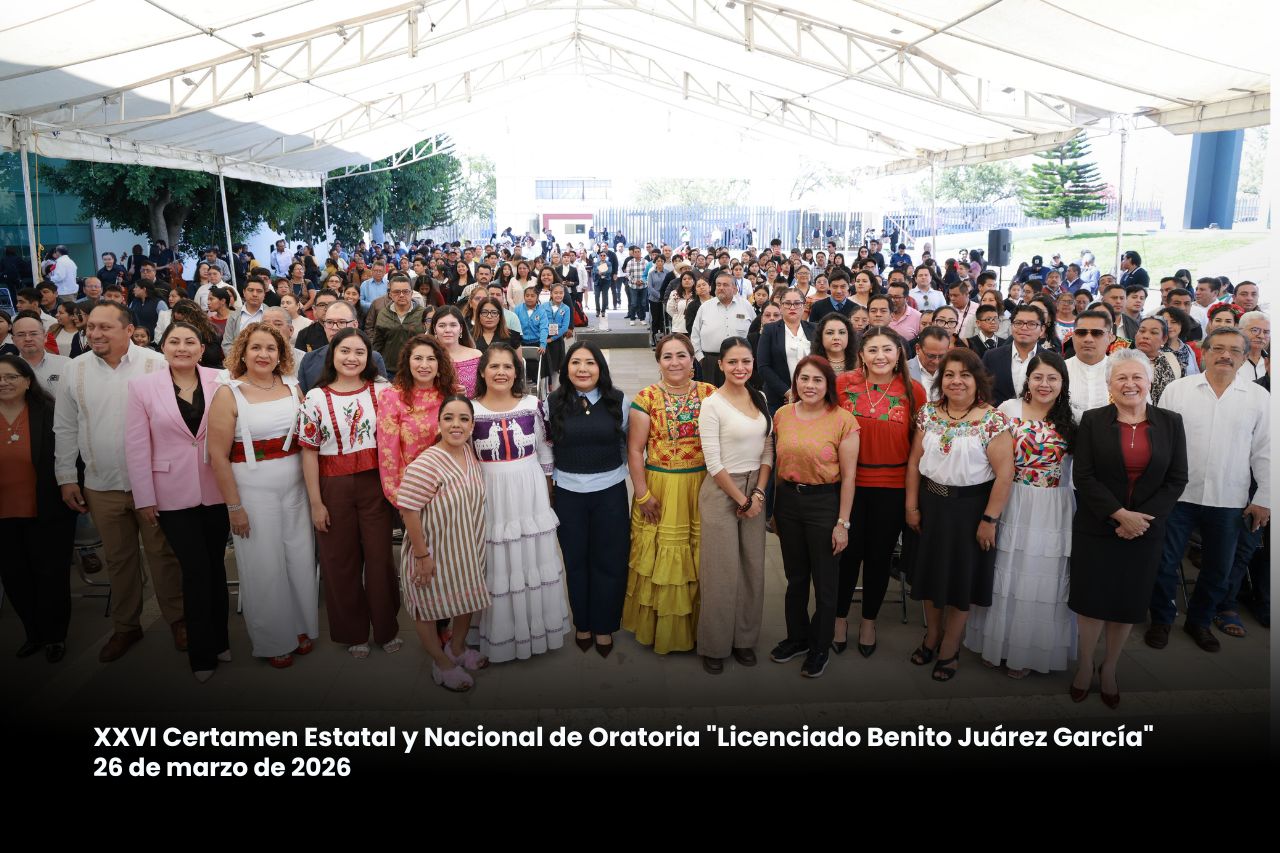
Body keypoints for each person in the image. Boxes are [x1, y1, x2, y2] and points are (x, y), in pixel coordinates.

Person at [53, 302, 186, 662]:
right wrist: (66, 477)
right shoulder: (74, 370)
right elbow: (64, 426)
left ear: (128, 330)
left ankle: (178, 619)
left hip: (154, 485)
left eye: (104, 328)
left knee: (163, 554)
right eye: (91, 327)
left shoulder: (156, 364)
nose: (94, 334)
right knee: (119, 559)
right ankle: (127, 626)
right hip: (101, 484)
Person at [1069, 349, 1187, 706]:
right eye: (1121, 377)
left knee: (1126, 602)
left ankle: (1110, 667)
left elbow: (1176, 479)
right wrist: (1119, 515)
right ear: (1110, 385)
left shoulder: (1170, 422)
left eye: (1137, 377)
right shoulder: (1092, 420)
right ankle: (1085, 665)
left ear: (1149, 382)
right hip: (1098, 526)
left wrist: (1139, 520)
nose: (1130, 384)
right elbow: (1084, 476)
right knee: (1092, 602)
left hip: (1146, 531)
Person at [1147, 327, 1270, 653]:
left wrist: (1264, 499)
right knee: (1164, 562)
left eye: (1234, 350)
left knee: (1219, 568)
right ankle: (1161, 619)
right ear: (1204, 352)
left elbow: (1266, 450)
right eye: (1218, 348)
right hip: (1178, 496)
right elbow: (1160, 442)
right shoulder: (1178, 390)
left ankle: (1199, 621)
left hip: (1229, 498)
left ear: (1245, 357)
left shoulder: (1259, 398)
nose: (1225, 355)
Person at [124, 322, 229, 681]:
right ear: (163, 347)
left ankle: (221, 640)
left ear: (202, 348)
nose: (182, 348)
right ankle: (202, 654)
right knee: (195, 568)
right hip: (170, 492)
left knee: (216, 565)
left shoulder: (223, 380)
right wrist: (144, 497)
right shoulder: (142, 387)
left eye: (190, 342)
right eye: (174, 342)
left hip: (217, 487)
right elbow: (137, 445)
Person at [208, 324, 316, 668]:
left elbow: (307, 436)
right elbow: (217, 455)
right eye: (256, 347)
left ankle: (300, 626)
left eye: (271, 348)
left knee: (298, 557)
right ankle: (272, 639)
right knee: (263, 564)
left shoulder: (293, 386)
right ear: (243, 351)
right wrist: (234, 507)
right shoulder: (228, 392)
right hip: (252, 487)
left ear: (281, 353)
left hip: (294, 482)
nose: (264, 354)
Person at [905, 347, 1015, 682]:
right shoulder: (928, 414)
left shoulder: (992, 420)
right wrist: (911, 506)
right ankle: (931, 636)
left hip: (971, 512)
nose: (956, 381)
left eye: (964, 375)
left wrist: (989, 520)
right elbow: (913, 463)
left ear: (977, 380)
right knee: (929, 576)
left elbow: (1005, 473)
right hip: (931, 507)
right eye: (949, 374)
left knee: (960, 582)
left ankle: (950, 646)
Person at [964, 352, 1077, 676]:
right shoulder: (1007, 410)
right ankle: (994, 644)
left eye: (1052, 378)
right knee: (1002, 571)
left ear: (1062, 383)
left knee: (1037, 578)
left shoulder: (1072, 420)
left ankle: (1025, 652)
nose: (1044, 384)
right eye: (1038, 377)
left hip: (1050, 507)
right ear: (1027, 379)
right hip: (1009, 499)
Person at [299, 328, 400, 658]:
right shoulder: (315, 397)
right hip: (333, 486)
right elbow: (309, 452)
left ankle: (387, 628)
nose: (352, 358)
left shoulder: (383, 391)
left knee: (380, 558)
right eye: (345, 351)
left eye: (359, 352)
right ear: (333, 354)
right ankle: (353, 631)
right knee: (340, 561)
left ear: (369, 357)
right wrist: (316, 503)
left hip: (375, 484)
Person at [469, 343, 570, 661]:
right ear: (482, 371)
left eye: (507, 367)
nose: (501, 372)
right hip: (489, 491)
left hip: (529, 490)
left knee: (531, 558)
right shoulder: (470, 409)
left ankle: (535, 631)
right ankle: (499, 633)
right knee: (495, 558)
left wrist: (549, 486)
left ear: (517, 371)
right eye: (494, 367)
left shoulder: (531, 405)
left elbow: (544, 450)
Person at [832, 327, 925, 656]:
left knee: (878, 558)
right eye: (873, 350)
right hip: (849, 487)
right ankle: (839, 618)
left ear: (899, 353)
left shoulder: (913, 391)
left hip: (892, 488)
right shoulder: (843, 385)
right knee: (846, 557)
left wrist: (912, 501)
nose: (880, 356)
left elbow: (917, 449)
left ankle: (869, 620)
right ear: (861, 354)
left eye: (888, 349)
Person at [769, 356, 859, 678]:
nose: (810, 386)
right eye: (804, 379)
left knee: (824, 582)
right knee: (795, 578)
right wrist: (775, 510)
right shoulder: (781, 415)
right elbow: (776, 466)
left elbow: (849, 477)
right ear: (795, 382)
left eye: (817, 380)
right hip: (789, 503)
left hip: (824, 504)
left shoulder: (843, 420)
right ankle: (798, 638)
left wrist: (842, 524)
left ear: (828, 385)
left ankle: (820, 647)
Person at [624, 334, 716, 654]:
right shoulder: (646, 397)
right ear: (658, 362)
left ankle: (701, 629)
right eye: (667, 357)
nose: (674, 362)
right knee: (662, 559)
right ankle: (662, 629)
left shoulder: (711, 394)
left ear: (693, 361)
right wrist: (642, 494)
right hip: (660, 487)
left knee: (699, 556)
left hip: (702, 486)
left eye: (681, 356)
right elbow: (635, 451)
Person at [395, 395, 491, 691]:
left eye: (464, 419)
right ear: (439, 423)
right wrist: (422, 555)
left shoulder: (470, 456)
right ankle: (441, 662)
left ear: (472, 425)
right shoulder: (427, 462)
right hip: (433, 552)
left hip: (466, 551)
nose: (456, 424)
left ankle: (458, 648)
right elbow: (408, 509)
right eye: (449, 417)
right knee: (428, 607)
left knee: (465, 600)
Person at [547, 342, 631, 658]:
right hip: (568, 493)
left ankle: (605, 624)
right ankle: (583, 622)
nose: (583, 369)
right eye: (576, 362)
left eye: (590, 363)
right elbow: (548, 447)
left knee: (610, 560)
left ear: (600, 368)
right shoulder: (552, 402)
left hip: (609, 491)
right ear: (566, 368)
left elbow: (625, 442)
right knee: (576, 560)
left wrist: (614, 470)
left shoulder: (618, 401)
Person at [696, 338, 774, 674]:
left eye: (746, 361)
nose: (740, 368)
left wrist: (757, 494)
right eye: (733, 362)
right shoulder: (712, 404)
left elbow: (768, 450)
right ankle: (714, 643)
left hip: (755, 487)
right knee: (721, 570)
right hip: (721, 490)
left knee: (753, 568)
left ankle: (744, 639)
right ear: (721, 365)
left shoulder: (761, 398)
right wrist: (742, 500)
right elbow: (713, 461)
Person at [0, 355, 76, 662]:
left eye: (10, 377)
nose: (3, 383)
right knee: (15, 577)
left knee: (51, 575)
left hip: (46, 510)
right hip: (4, 514)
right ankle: (33, 633)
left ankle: (55, 636)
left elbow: (70, 454)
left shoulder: (49, 412)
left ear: (28, 381)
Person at [297, 300, 388, 393]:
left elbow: (383, 396)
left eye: (341, 322)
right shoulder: (309, 360)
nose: (335, 328)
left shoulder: (373, 358)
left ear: (355, 325)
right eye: (329, 322)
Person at [691, 271, 754, 387]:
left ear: (734, 288)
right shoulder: (705, 307)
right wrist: (701, 359)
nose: (721, 288)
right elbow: (695, 335)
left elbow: (754, 333)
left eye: (725, 285)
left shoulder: (746, 306)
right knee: (712, 397)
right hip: (711, 362)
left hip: (739, 363)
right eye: (718, 284)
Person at [757, 289, 814, 411]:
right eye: (787, 303)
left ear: (803, 306)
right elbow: (763, 366)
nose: (792, 307)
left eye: (797, 303)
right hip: (779, 397)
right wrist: (788, 392)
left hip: (811, 394)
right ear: (781, 307)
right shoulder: (769, 330)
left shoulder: (814, 329)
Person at [983, 304, 1046, 405]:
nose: (1024, 328)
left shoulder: (1051, 360)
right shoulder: (991, 357)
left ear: (1042, 330)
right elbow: (983, 392)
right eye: (1018, 323)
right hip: (997, 417)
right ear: (1011, 326)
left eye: (1031, 324)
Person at [371, 276, 427, 381]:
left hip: (416, 370)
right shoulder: (383, 314)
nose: (401, 295)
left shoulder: (422, 313)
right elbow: (377, 343)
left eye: (405, 291)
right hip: (389, 370)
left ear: (411, 293)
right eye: (396, 292)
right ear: (390, 294)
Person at [1063, 309, 1113, 420]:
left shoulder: (1122, 371)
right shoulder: (1059, 370)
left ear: (1110, 337)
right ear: (1073, 336)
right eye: (1081, 333)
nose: (1088, 339)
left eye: (1097, 333)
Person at [12, 314, 70, 398]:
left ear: (45, 337)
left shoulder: (65, 364)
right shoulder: (6, 368)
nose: (28, 339)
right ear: (13, 340)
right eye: (21, 335)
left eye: (33, 334)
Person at [1133, 315, 1181, 404]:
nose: (1145, 336)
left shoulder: (1172, 359)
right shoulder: (1124, 360)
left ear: (1164, 339)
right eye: (1142, 331)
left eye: (1154, 332)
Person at [220, 278, 268, 355]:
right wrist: (237, 362)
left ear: (264, 294)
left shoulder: (271, 314)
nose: (255, 294)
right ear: (244, 292)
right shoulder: (234, 316)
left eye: (259, 291)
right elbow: (227, 344)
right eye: (251, 290)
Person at [810, 312, 855, 376]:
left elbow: (873, 384)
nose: (836, 337)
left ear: (849, 336)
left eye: (842, 332)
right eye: (830, 333)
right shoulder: (811, 364)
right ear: (820, 336)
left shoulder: (861, 363)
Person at [1238, 311, 1269, 382]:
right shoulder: (1230, 359)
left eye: (1266, 332)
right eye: (1255, 330)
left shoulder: (1272, 362)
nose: (1261, 336)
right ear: (1240, 331)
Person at [665, 271, 697, 336]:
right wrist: (678, 317)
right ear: (681, 281)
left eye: (690, 278)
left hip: (694, 327)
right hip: (678, 327)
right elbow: (669, 309)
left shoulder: (697, 294)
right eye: (684, 279)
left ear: (694, 281)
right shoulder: (674, 293)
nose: (687, 280)